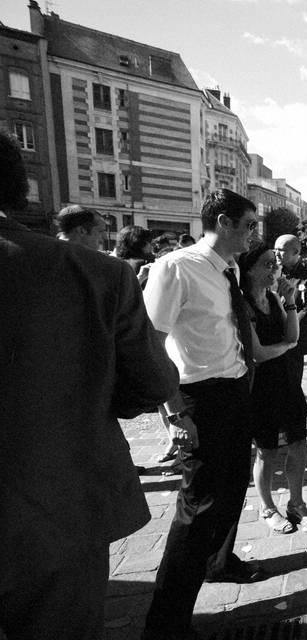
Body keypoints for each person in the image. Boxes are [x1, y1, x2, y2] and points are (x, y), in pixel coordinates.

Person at [0, 131, 179, 640]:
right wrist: (91, 392)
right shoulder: (93, 274)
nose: (104, 239)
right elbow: (150, 383)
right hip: (55, 510)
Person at [141, 189, 265, 639]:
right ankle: (165, 624)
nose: (255, 234)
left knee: (233, 487)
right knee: (197, 507)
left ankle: (219, 562)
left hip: (233, 391)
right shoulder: (176, 267)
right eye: (249, 225)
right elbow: (151, 344)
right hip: (199, 398)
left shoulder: (228, 268)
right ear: (223, 221)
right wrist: (175, 411)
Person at [239, 242, 307, 534]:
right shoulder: (243, 304)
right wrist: (285, 346)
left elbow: (293, 336)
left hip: (288, 381)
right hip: (261, 387)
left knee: (299, 444)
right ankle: (267, 508)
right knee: (267, 451)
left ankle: (296, 504)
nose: (275, 268)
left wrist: (289, 301)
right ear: (248, 271)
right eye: (267, 264)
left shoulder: (275, 299)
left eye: (274, 263)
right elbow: (257, 353)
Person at [274, 234, 307, 385]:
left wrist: (291, 323)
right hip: (272, 339)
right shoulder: (272, 273)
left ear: (295, 252)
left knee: (292, 385)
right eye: (275, 249)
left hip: (296, 341)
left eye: (281, 250)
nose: (276, 253)